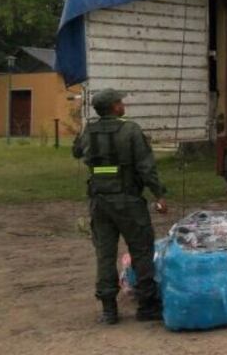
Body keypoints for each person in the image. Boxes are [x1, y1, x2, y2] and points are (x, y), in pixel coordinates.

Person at [73, 89, 168, 324]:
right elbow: (146, 167)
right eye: (120, 101)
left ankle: (109, 310)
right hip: (128, 201)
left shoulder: (89, 130)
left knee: (105, 254)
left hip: (100, 202)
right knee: (141, 250)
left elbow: (77, 152)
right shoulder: (130, 130)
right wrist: (159, 194)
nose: (123, 104)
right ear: (115, 107)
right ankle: (147, 305)